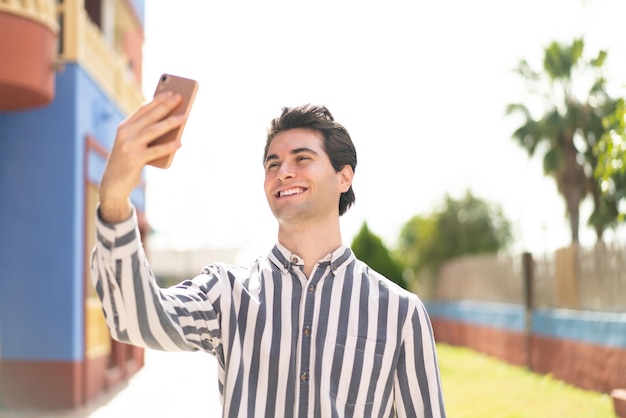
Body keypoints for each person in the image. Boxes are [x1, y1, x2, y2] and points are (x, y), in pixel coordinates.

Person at [91, 93, 447, 417]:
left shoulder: (400, 312)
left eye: (302, 158)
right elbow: (137, 320)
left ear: (344, 177)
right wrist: (115, 203)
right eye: (272, 164)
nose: (283, 172)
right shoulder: (226, 292)